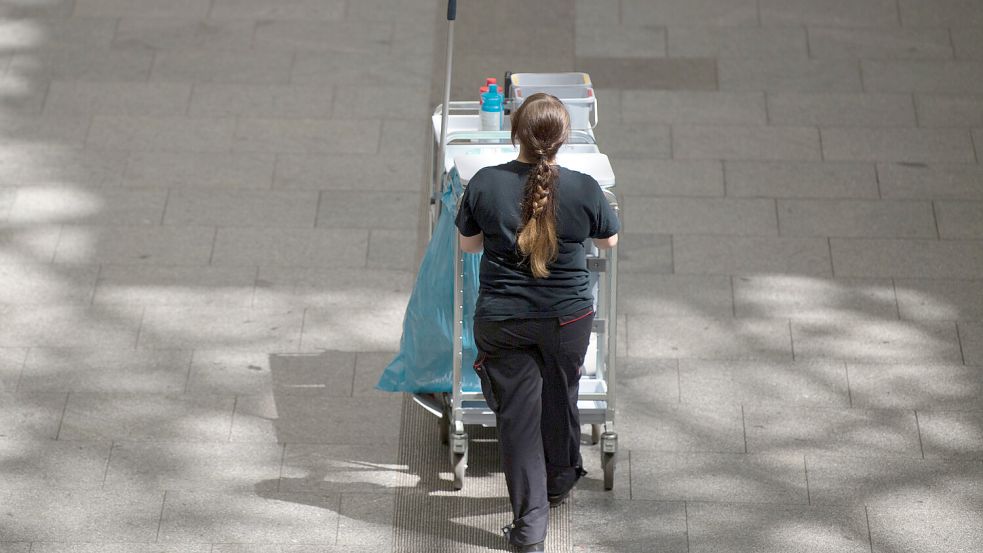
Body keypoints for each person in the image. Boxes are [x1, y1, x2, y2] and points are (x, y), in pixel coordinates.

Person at [454, 92, 620, 552]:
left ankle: (530, 530)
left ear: (515, 134)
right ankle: (561, 476)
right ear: (564, 139)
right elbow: (609, 241)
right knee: (561, 388)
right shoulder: (585, 188)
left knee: (519, 420)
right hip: (568, 320)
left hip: (505, 322)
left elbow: (468, 247)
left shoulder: (486, 184)